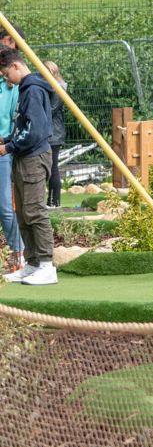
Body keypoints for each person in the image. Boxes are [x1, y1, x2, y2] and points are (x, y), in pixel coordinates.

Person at [0, 46, 57, 285]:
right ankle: (31, 263)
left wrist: (9, 148)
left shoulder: (32, 90)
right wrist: (9, 140)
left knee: (35, 213)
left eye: (5, 74)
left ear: (15, 66)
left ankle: (46, 265)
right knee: (23, 213)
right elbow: (23, 128)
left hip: (34, 158)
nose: (5, 78)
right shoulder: (25, 89)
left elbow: (36, 131)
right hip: (25, 158)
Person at [0, 25, 24, 271]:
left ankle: (18, 253)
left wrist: (6, 142)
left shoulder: (11, 85)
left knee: (5, 207)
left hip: (2, 150)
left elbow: (15, 119)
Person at [44, 60, 66, 208]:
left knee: (53, 168)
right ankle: (52, 201)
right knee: (51, 167)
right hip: (53, 132)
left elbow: (51, 110)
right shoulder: (55, 87)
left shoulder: (58, 88)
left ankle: (54, 201)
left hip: (54, 133)